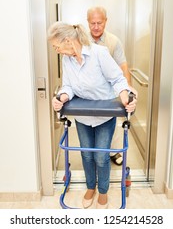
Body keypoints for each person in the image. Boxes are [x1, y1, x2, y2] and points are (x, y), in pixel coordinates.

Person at [47, 22, 136, 209]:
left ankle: (102, 191)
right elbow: (68, 86)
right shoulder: (67, 60)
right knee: (87, 155)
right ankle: (90, 187)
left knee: (101, 157)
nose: (56, 50)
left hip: (104, 116)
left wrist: (126, 97)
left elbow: (118, 79)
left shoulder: (99, 53)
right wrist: (61, 98)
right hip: (83, 116)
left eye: (57, 46)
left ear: (69, 41)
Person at [87, 6, 138, 165]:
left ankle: (113, 152)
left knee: (111, 121)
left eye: (99, 23)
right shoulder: (82, 40)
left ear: (106, 22)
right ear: (88, 22)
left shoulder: (113, 41)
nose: (96, 27)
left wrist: (127, 87)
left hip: (109, 90)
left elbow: (123, 66)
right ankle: (95, 152)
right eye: (92, 23)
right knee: (91, 122)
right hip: (89, 91)